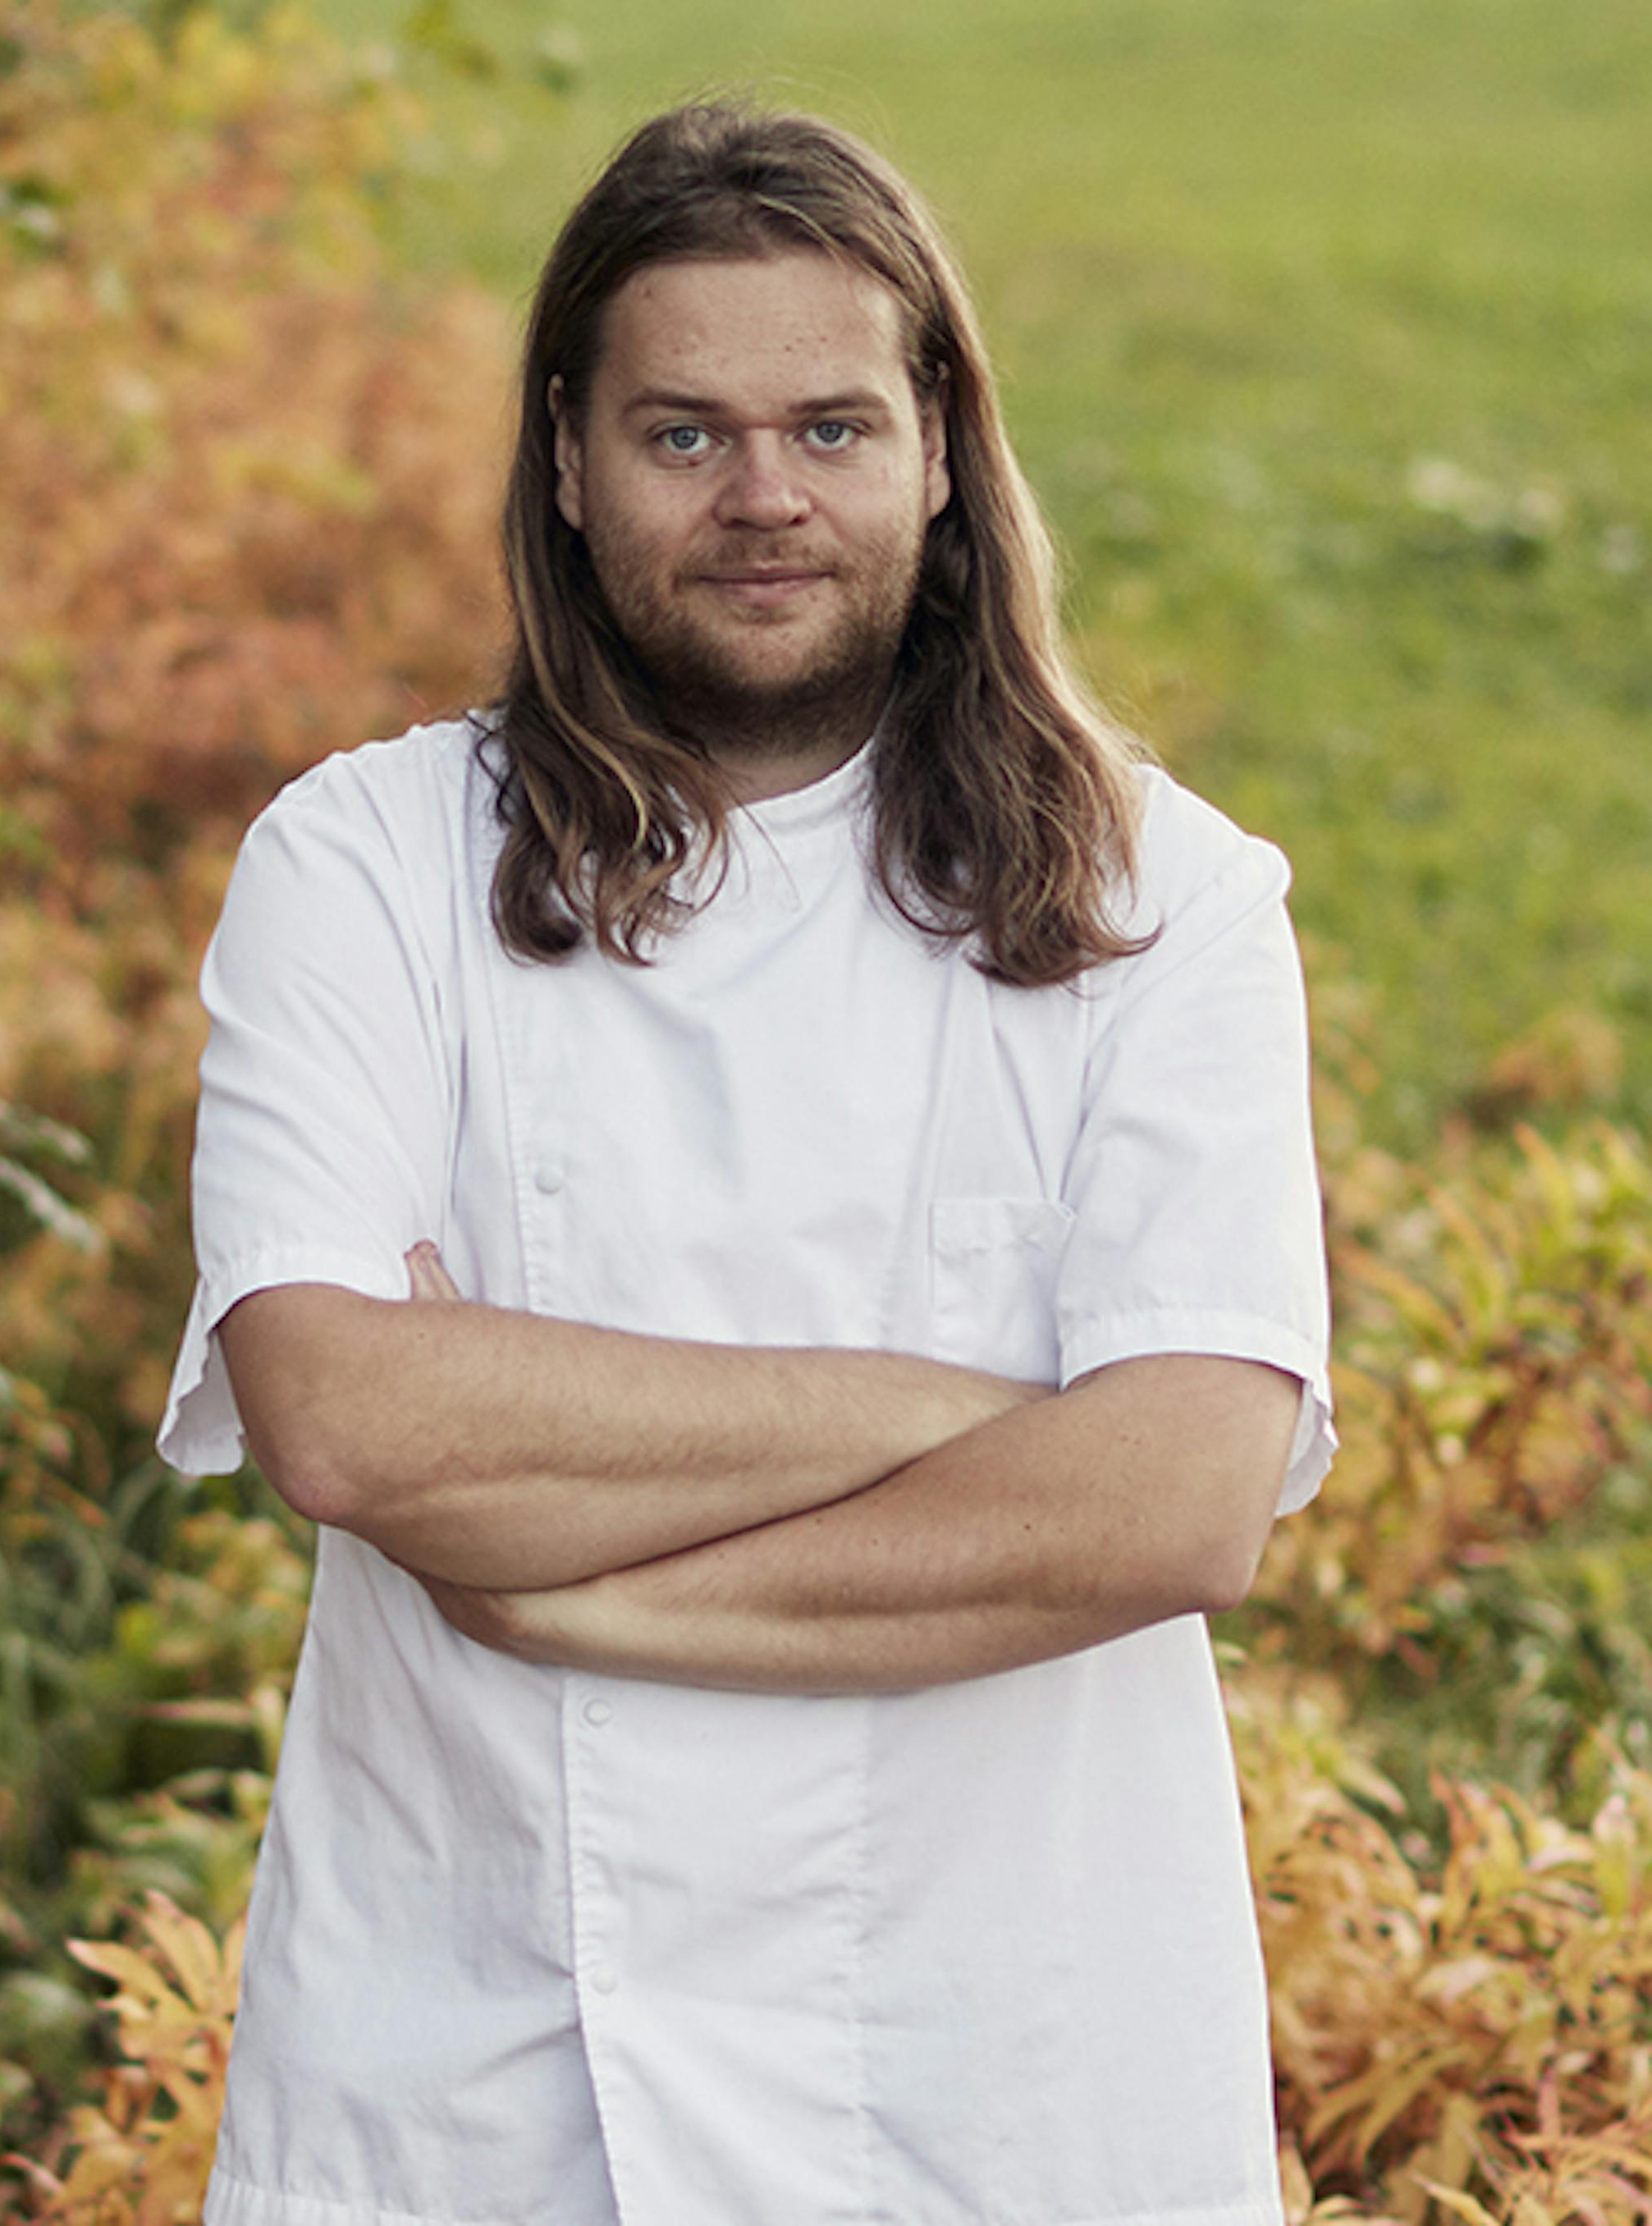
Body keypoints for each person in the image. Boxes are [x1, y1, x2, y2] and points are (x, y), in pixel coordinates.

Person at [159, 99, 1334, 2226]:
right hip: (477, 2084)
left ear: (945, 448)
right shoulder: (365, 868)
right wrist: (956, 1427)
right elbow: (339, 1412)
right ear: (569, 461)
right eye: (683, 433)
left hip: (1003, 2094)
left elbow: (1173, 1503)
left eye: (831, 426)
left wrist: (547, 1552)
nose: (763, 496)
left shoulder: (1176, 903)